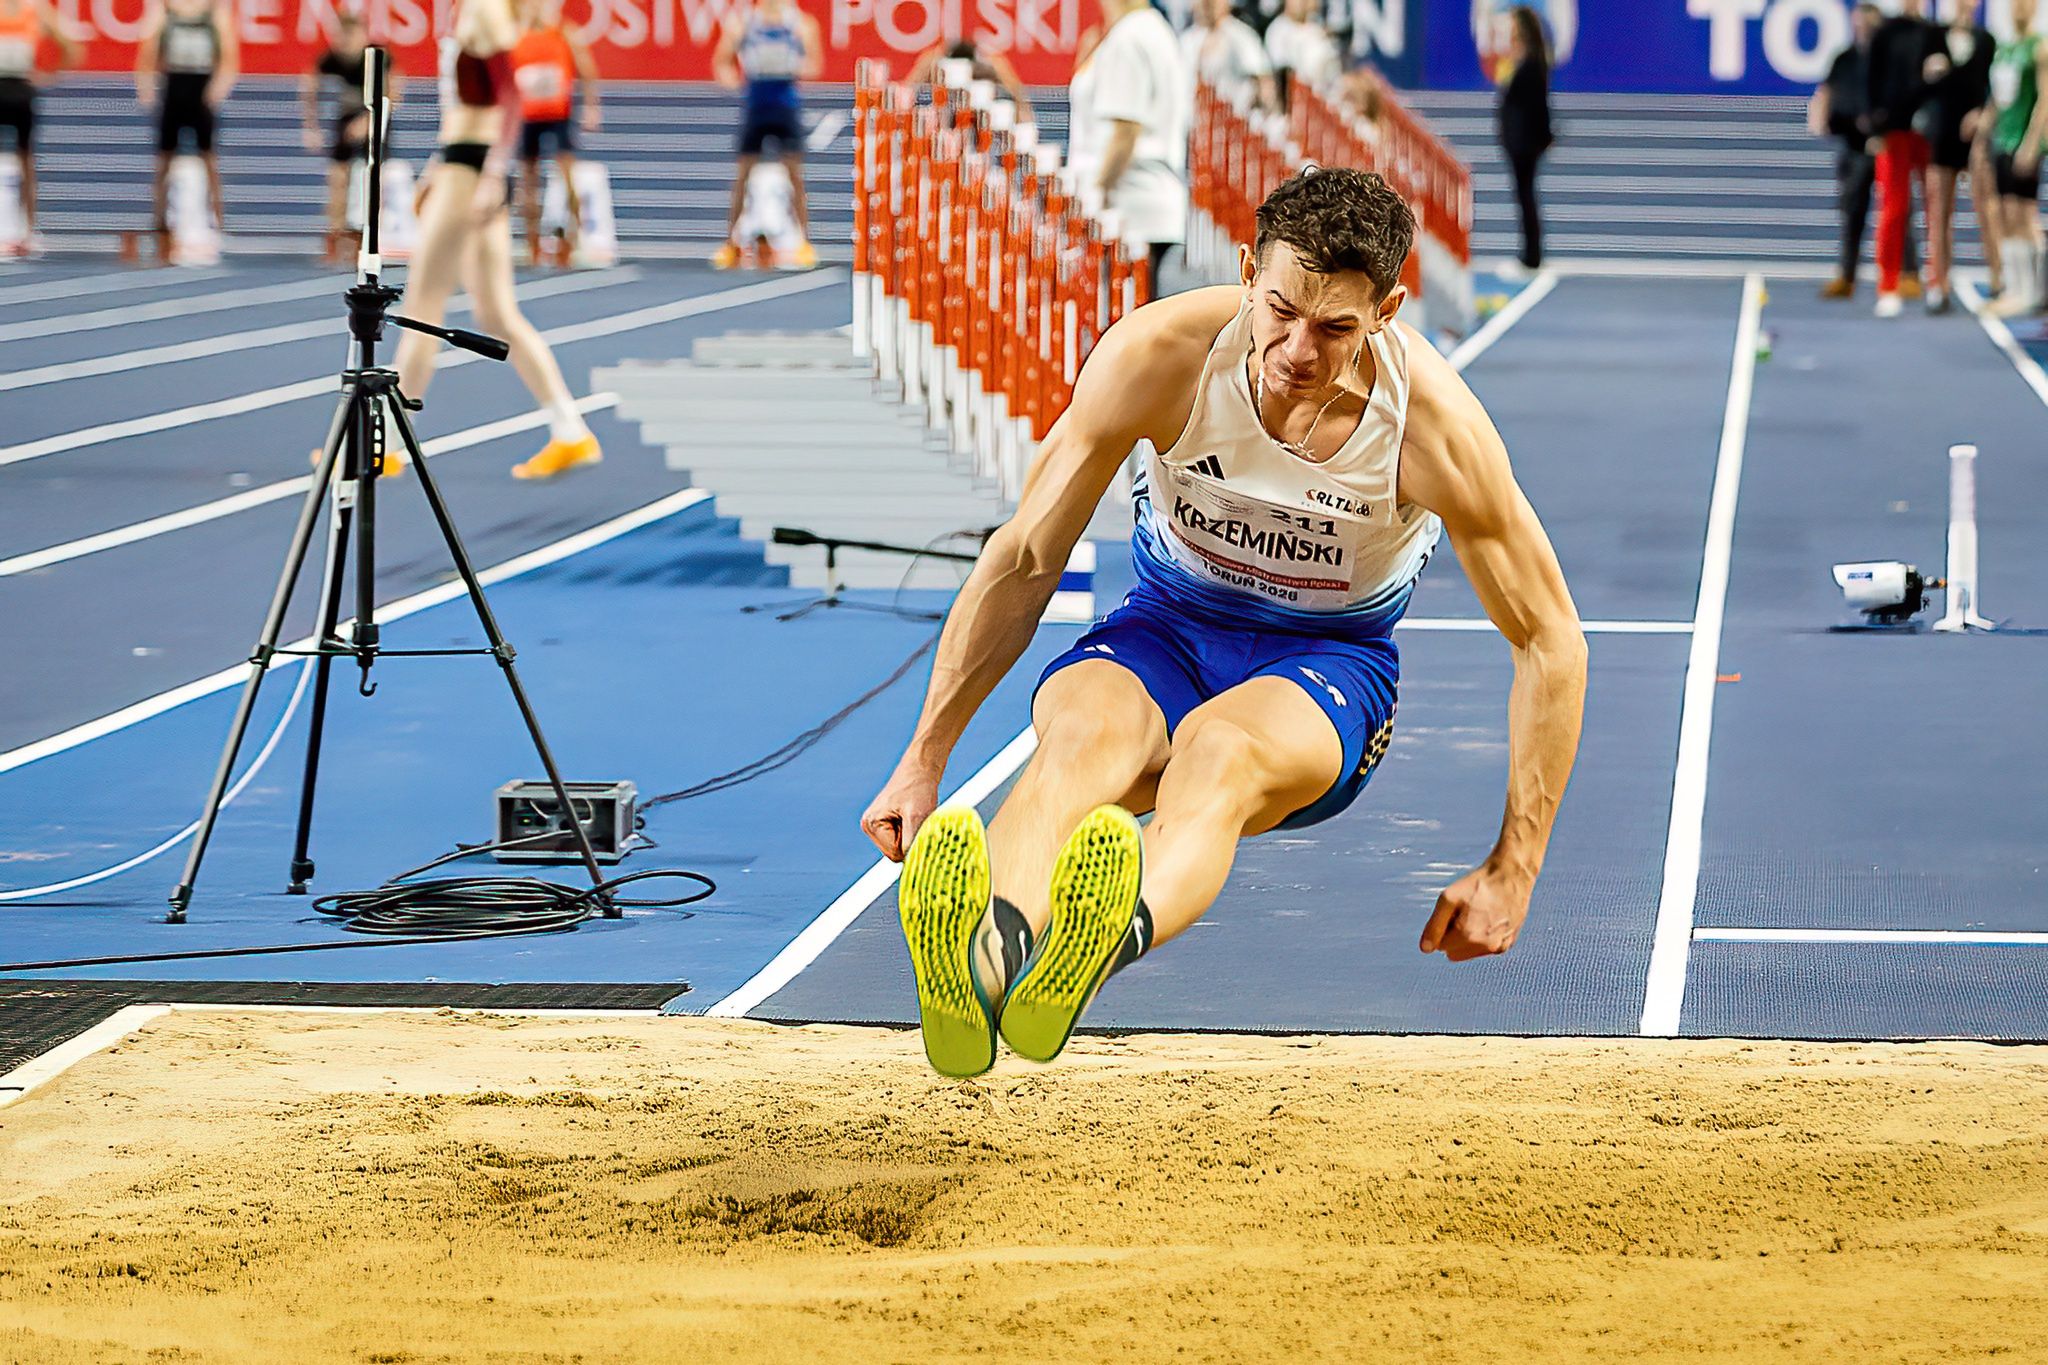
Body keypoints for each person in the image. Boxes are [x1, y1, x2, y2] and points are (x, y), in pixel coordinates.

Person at [863, 168, 1587, 1077]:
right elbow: (1026, 557)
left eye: (1335, 329)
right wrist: (923, 760)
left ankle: (1098, 938)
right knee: (1081, 735)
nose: (1297, 350)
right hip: (1168, 623)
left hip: (1326, 660)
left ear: (1387, 313)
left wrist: (1514, 866)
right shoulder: (1161, 355)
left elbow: (1550, 638)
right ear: (1247, 271)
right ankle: (985, 965)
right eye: (1280, 310)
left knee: (1217, 753)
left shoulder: (1431, 429)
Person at [384, 0, 601, 480]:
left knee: (422, 308)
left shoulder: (486, 8)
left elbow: (510, 94)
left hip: (471, 170)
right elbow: (471, 103)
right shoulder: (482, 9)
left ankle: (389, 443)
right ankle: (570, 430)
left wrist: (491, 173)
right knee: (496, 314)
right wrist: (437, 168)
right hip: (463, 163)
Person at [1068, 0, 1188, 284]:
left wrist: (1094, 194)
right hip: (1151, 205)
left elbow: (1125, 133)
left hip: (1127, 210)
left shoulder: (1129, 38)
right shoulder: (1154, 30)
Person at [711, 0, 820, 270]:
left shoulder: (800, 24)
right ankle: (730, 244)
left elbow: (815, 64)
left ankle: (804, 243)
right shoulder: (743, 23)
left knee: (795, 175)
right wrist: (731, 80)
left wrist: (790, 66)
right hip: (756, 104)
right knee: (743, 175)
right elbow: (721, 62)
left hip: (785, 103)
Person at [136, 0, 237, 258]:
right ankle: (159, 222)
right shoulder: (165, 9)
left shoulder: (214, 11)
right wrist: (145, 83)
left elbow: (229, 55)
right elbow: (149, 48)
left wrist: (218, 88)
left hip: (202, 85)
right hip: (174, 83)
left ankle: (218, 222)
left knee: (209, 158)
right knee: (164, 158)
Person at [301, 8, 402, 265]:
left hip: (376, 118)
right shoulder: (332, 58)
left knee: (373, 178)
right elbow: (309, 83)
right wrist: (311, 126)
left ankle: (371, 237)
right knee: (338, 177)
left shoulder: (378, 56)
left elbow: (394, 95)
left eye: (349, 37)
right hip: (347, 119)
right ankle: (335, 236)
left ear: (362, 35)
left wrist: (368, 121)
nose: (344, 44)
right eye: (340, 38)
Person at [1813, 4, 1894, 298]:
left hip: (1883, 144)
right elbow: (1827, 89)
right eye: (1859, 22)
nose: (1863, 28)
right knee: (1852, 211)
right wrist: (1820, 115)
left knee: (1894, 211)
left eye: (1869, 24)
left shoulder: (1887, 60)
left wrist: (1881, 133)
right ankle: (1847, 276)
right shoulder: (1844, 58)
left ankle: (1904, 273)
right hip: (1852, 144)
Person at [1919, 0, 1994, 313]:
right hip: (1942, 132)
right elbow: (1918, 82)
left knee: (1988, 207)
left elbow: (1995, 87)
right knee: (1939, 212)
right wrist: (1928, 72)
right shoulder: (1934, 36)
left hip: (1975, 136)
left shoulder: (1986, 40)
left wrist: (1982, 114)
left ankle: (1999, 279)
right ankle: (1939, 283)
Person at [512, 0, 600, 264]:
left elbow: (586, 68)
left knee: (567, 176)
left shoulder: (564, 31)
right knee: (528, 180)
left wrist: (591, 106)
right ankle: (532, 244)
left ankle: (573, 239)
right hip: (527, 115)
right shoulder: (515, 33)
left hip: (558, 113)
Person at [1866, 0, 1937, 317]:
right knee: (1893, 208)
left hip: (1927, 132)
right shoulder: (1886, 33)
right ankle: (1888, 284)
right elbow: (1872, 80)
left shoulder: (1933, 33)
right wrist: (1875, 127)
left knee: (1936, 208)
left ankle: (1936, 282)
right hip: (1894, 131)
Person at [0, 0, 80, 255]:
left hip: (22, 90)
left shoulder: (35, 8)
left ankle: (30, 231)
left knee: (27, 163)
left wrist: (49, 74)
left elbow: (70, 46)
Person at [1985, 0, 2048, 315]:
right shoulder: (2005, 49)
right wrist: (1985, 127)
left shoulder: (2040, 48)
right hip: (2002, 140)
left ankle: (2035, 292)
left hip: (2024, 141)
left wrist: (2032, 143)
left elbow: (2045, 99)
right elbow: (1998, 99)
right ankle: (2015, 287)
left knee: (2024, 213)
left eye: (2026, 4)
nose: (2019, 9)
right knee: (2004, 214)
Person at [1495, 5, 1552, 276]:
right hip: (1519, 139)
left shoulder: (1532, 62)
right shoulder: (1523, 59)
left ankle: (1532, 257)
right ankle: (1530, 254)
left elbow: (1537, 105)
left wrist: (1542, 136)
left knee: (1526, 196)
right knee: (1524, 196)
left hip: (1525, 141)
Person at [1181, 0, 1278, 111]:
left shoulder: (1242, 37)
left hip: (1234, 115)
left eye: (1212, 2)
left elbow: (1265, 83)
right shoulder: (1186, 41)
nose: (1207, 5)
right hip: (1196, 116)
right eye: (1203, 2)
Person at [907, 39, 1035, 121]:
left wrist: (1024, 113)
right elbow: (908, 88)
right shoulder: (933, 62)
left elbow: (1017, 92)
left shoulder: (992, 64)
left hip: (980, 111)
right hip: (945, 110)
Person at [1263, 0, 1341, 107]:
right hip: (1292, 99)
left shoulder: (1317, 28)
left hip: (1322, 96)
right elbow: (1283, 75)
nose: (1301, 3)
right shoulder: (1277, 30)